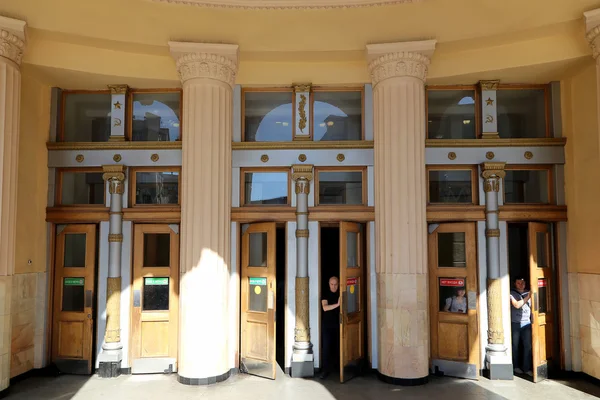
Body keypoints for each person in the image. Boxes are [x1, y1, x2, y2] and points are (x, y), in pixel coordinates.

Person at [510, 277, 533, 377]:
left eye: (523, 282)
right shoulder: (512, 293)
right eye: (518, 283)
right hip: (515, 323)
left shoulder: (529, 292)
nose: (521, 284)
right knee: (515, 346)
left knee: (527, 346)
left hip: (526, 323)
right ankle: (516, 366)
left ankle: (526, 368)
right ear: (515, 283)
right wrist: (528, 297)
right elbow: (516, 305)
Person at [320, 276, 340, 379]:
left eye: (335, 284)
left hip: (339, 323)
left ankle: (339, 369)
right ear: (329, 284)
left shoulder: (341, 293)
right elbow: (325, 308)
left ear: (338, 284)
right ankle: (325, 370)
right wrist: (337, 304)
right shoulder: (325, 294)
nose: (333, 286)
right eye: (331, 284)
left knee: (339, 346)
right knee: (326, 347)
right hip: (327, 325)